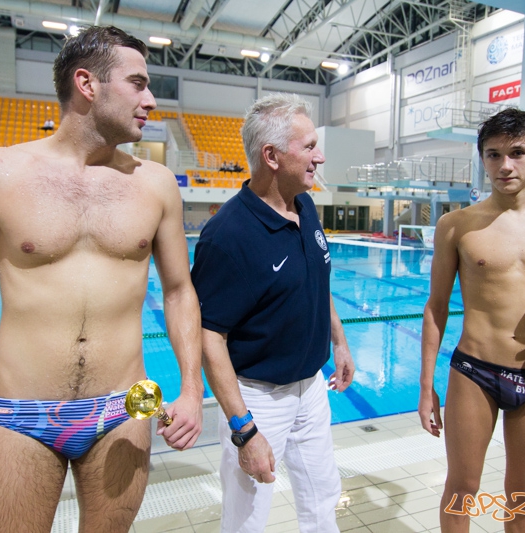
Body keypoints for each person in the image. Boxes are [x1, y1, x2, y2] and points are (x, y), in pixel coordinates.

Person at [0, 25, 204, 533]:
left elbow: (179, 290)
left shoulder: (157, 184)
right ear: (87, 83)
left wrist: (192, 387)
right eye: (138, 83)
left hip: (127, 405)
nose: (150, 100)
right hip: (22, 413)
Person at [418, 108, 525, 533]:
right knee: (462, 487)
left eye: (517, 153)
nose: (505, 166)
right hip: (473, 371)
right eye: (493, 155)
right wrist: (426, 388)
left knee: (524, 497)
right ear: (483, 159)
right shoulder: (455, 225)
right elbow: (436, 305)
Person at [191, 93, 355, 533]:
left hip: (312, 388)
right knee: (247, 518)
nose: (319, 157)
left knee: (324, 495)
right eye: (308, 147)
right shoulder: (227, 236)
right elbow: (209, 337)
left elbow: (317, 279)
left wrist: (337, 341)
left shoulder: (304, 204)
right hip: (259, 397)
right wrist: (244, 428)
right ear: (272, 156)